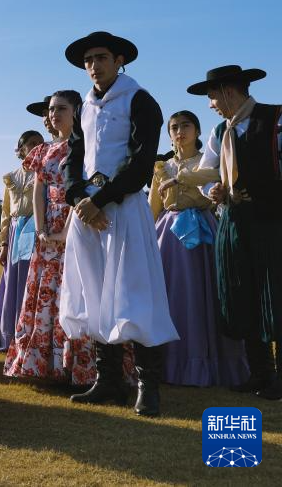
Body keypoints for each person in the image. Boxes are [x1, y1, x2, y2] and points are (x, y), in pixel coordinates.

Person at [60, 31, 178, 417]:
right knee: (93, 291)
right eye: (88, 60)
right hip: (88, 215)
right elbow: (72, 159)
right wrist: (79, 199)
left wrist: (102, 199)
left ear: (120, 59)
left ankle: (148, 386)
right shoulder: (85, 107)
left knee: (136, 294)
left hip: (124, 208)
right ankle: (107, 380)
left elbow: (142, 161)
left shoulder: (140, 100)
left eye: (101, 57)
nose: (94, 65)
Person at [182, 65, 282, 399]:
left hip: (272, 221)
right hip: (235, 223)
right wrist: (215, 188)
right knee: (243, 295)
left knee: (276, 295)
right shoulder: (218, 133)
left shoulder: (276, 119)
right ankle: (259, 372)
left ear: (227, 91)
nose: (210, 104)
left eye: (211, 96)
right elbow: (207, 171)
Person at [5, 91, 99, 386]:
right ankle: (44, 365)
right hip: (47, 227)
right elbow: (37, 191)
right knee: (44, 295)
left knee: (74, 292)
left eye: (62, 108)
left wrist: (66, 231)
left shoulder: (85, 147)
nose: (55, 114)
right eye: (51, 109)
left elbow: (82, 191)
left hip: (78, 222)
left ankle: (77, 365)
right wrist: (42, 227)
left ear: (76, 112)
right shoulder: (43, 150)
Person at [149, 110, 248, 387]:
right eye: (174, 127)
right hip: (167, 235)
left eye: (186, 125)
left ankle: (209, 362)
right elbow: (152, 210)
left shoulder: (206, 162)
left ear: (197, 130)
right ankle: (169, 363)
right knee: (172, 295)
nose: (180, 131)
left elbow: (217, 177)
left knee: (205, 294)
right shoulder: (161, 167)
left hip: (204, 230)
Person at [0, 129, 44, 352]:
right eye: (31, 143)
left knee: (33, 282)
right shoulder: (12, 177)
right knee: (13, 283)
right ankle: (10, 335)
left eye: (40, 142)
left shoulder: (46, 172)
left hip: (37, 229)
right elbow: (6, 212)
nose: (37, 146)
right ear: (21, 149)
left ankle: (32, 336)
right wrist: (3, 243)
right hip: (16, 232)